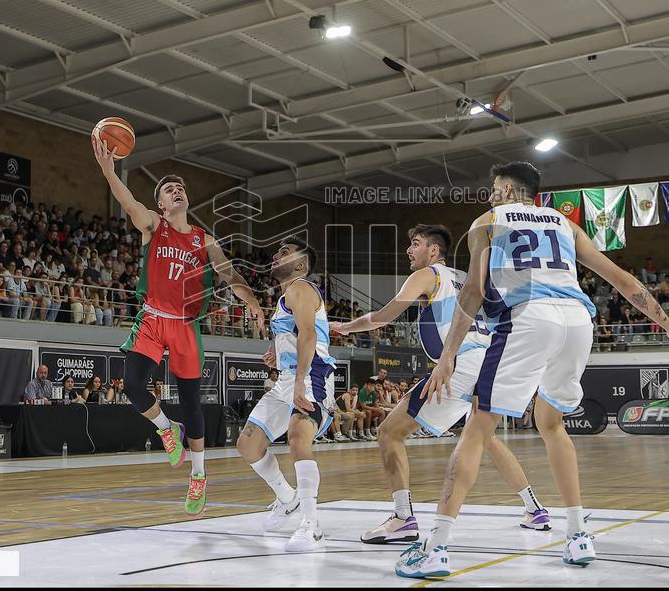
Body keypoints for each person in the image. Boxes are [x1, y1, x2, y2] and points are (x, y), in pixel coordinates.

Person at [395, 162, 669, 577]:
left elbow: (473, 291)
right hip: (577, 321)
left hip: (528, 317)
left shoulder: (487, 221)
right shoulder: (565, 224)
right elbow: (624, 280)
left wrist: (448, 355)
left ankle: (436, 547)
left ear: (506, 190)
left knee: (477, 428)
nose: (490, 194)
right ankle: (578, 534)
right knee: (551, 423)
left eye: (493, 187)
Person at [333, 223, 554, 545]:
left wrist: (345, 328)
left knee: (389, 432)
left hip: (460, 364)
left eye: (415, 243)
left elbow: (384, 316)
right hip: (489, 362)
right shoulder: (468, 277)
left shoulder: (428, 275)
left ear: (433, 250)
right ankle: (534, 509)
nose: (409, 250)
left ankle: (403, 518)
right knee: (485, 437)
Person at [93, 137, 264, 517]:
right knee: (132, 385)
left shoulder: (205, 240)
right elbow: (129, 203)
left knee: (192, 404)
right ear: (161, 204)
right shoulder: (154, 226)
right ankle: (166, 428)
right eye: (169, 189)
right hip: (153, 318)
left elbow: (229, 275)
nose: (177, 191)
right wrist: (108, 170)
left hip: (186, 325)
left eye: (180, 188)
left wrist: (251, 301)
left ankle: (198, 475)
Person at [235, 237, 335, 552]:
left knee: (298, 438)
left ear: (300, 264)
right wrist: (277, 353)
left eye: (286, 252)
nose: (277, 256)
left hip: (312, 374)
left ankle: (311, 525)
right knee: (248, 444)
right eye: (277, 251)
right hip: (288, 379)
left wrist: (302, 380)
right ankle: (287, 497)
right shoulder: (287, 296)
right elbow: (297, 334)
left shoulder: (300, 288)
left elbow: (308, 335)